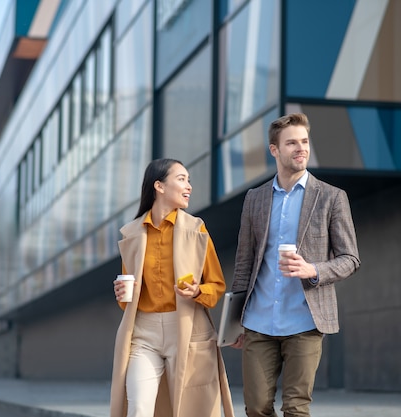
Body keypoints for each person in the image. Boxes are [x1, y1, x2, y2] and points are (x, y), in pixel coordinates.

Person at [231, 113, 360, 417]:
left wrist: (312, 270)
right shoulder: (255, 199)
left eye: (304, 141)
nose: (301, 148)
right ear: (274, 150)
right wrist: (234, 322)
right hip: (258, 321)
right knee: (256, 408)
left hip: (305, 321)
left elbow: (350, 258)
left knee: (296, 408)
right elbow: (244, 262)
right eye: (291, 143)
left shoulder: (331, 197)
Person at [110, 158, 235, 417]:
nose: (188, 186)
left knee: (191, 409)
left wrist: (198, 291)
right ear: (159, 186)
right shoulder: (132, 234)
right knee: (139, 408)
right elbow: (128, 298)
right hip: (144, 333)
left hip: (187, 329)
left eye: (188, 180)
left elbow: (216, 284)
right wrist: (123, 295)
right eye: (181, 179)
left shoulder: (197, 230)